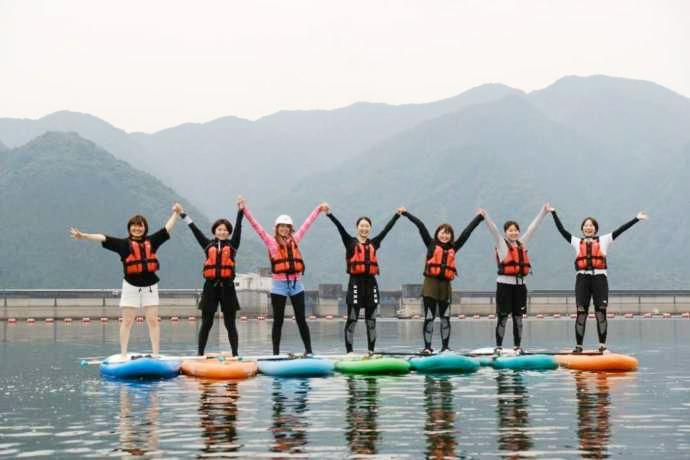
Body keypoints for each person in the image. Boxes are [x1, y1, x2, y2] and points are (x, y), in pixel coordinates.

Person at [69, 203, 182, 359]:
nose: (137, 229)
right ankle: (123, 354)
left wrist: (176, 214)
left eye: (140, 226)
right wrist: (84, 236)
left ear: (145, 228)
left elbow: (166, 229)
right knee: (127, 321)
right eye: (134, 226)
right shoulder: (123, 244)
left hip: (150, 286)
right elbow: (103, 237)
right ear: (129, 228)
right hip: (130, 287)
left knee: (153, 321)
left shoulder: (152, 241)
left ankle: (156, 353)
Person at [550, 207, 648, 353]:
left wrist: (636, 219)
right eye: (586, 226)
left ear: (595, 229)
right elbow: (562, 230)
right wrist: (553, 213)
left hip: (599, 279)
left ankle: (602, 345)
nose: (588, 227)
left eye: (591, 226)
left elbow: (620, 230)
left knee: (600, 312)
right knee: (581, 312)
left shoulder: (604, 240)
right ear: (582, 228)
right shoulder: (577, 242)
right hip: (582, 279)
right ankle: (579, 347)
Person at [243, 198, 327, 355]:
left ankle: (309, 352)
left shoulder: (295, 239)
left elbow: (307, 224)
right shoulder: (270, 241)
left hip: (296, 285)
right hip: (278, 286)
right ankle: (275, 354)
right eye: (281, 226)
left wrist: (319, 209)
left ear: (290, 228)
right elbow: (256, 226)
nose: (284, 229)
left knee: (301, 319)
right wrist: (244, 209)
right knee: (278, 321)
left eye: (287, 227)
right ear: (277, 228)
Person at [401, 209, 484, 353]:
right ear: (437, 234)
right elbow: (420, 226)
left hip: (445, 286)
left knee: (445, 318)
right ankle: (427, 348)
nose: (445, 235)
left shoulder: (453, 247)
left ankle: (445, 348)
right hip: (430, 285)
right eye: (442, 232)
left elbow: (466, 233)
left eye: (448, 233)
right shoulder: (431, 244)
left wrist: (479, 218)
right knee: (429, 317)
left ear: (451, 236)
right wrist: (406, 213)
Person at [326, 205, 403, 354]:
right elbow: (339, 228)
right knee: (352, 320)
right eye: (362, 226)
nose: (364, 228)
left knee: (371, 322)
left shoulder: (374, 243)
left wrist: (397, 215)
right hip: (355, 284)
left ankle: (371, 352)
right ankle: (349, 352)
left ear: (370, 228)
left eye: (367, 226)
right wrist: (329, 214)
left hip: (371, 285)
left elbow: (386, 230)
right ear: (357, 227)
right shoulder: (350, 242)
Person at [479, 204, 550, 355]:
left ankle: (517, 347)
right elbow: (493, 230)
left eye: (516, 230)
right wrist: (485, 216)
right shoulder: (501, 243)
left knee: (518, 318)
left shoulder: (521, 243)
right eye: (510, 230)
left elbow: (532, 228)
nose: (514, 232)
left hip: (520, 287)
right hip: (504, 285)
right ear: (505, 233)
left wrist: (543, 212)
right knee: (503, 317)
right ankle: (498, 347)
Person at [180, 199, 244, 356]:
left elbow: (238, 229)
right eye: (219, 229)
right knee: (206, 323)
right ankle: (200, 353)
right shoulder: (208, 245)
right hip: (210, 288)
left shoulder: (233, 246)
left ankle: (235, 354)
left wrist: (240, 211)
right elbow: (194, 230)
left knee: (230, 324)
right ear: (214, 231)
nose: (222, 232)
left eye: (225, 230)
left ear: (228, 232)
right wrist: (183, 214)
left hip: (228, 288)